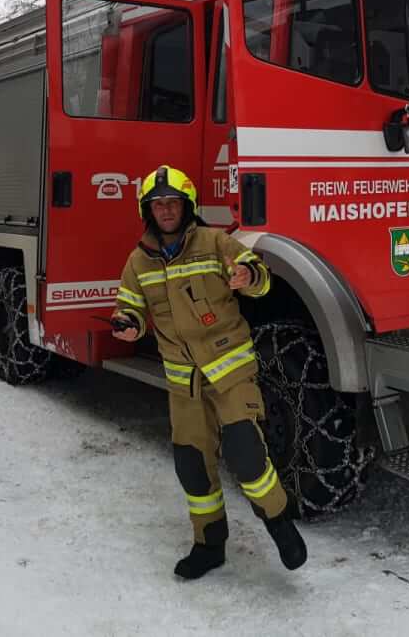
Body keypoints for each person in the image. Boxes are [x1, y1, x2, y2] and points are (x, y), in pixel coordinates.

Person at [112, 164, 307, 580]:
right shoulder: (138, 261)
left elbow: (261, 278)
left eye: (173, 202)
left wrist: (248, 275)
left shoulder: (215, 241)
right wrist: (128, 323)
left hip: (230, 371)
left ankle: (279, 521)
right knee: (192, 465)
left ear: (187, 206)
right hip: (184, 384)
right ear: (147, 211)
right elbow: (130, 306)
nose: (166, 210)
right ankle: (209, 543)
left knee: (245, 452)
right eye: (158, 204)